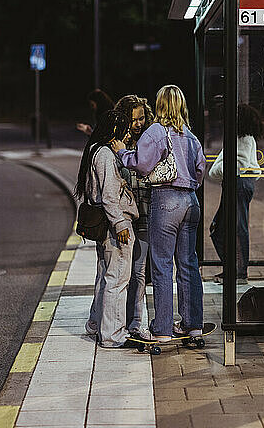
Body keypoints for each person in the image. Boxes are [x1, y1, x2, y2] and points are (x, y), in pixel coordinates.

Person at [112, 85, 206, 342]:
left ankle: (163, 328)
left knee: (162, 265)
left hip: (166, 200)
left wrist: (122, 153)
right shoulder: (189, 135)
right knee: (188, 264)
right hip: (191, 201)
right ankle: (192, 325)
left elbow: (141, 164)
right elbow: (200, 170)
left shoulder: (156, 131)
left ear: (161, 104)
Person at [74, 110, 139, 348]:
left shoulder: (93, 150)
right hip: (115, 224)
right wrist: (121, 223)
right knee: (118, 280)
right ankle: (113, 335)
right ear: (115, 130)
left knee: (105, 278)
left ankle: (98, 326)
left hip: (103, 224)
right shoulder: (105, 155)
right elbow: (110, 196)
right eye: (124, 128)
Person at [209, 103, 264, 284]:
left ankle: (238, 272)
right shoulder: (245, 138)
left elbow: (237, 165)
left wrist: (216, 170)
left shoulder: (243, 139)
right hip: (238, 184)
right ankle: (234, 269)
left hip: (237, 184)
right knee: (223, 228)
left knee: (234, 228)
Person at [113, 95, 154, 338]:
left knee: (139, 272)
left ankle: (135, 323)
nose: (138, 123)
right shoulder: (117, 143)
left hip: (147, 212)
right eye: (133, 119)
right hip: (126, 215)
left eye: (141, 118)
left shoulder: (150, 140)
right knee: (119, 273)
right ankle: (110, 321)